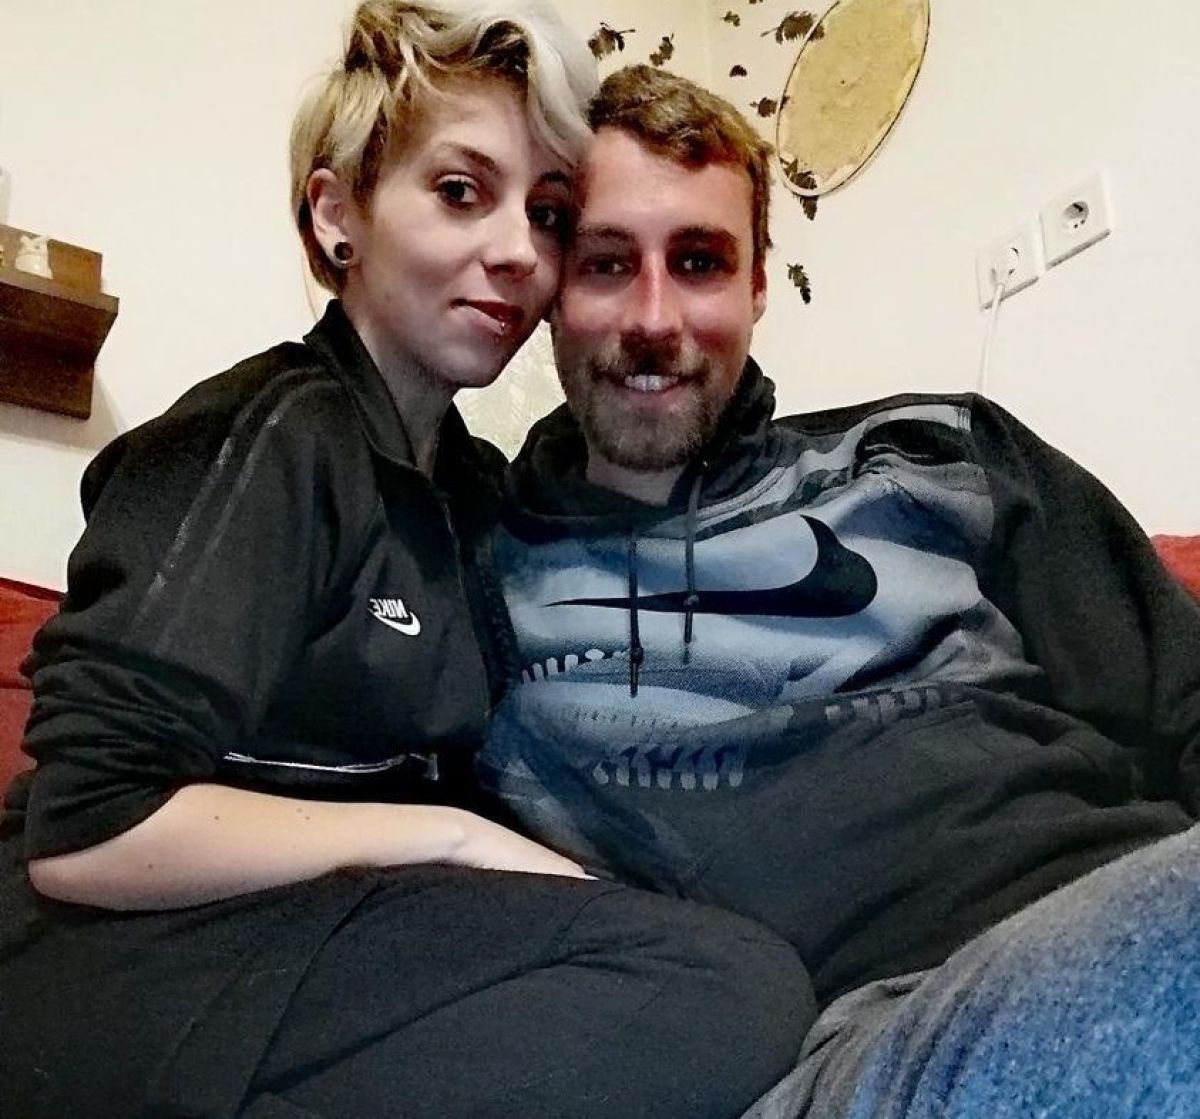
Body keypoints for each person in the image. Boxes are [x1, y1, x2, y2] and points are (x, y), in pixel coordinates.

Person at [0, 20, 815, 1119]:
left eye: (548, 214)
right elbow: (87, 829)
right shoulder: (275, 432)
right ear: (338, 215)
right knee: (722, 990)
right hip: (107, 960)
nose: (519, 252)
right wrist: (451, 837)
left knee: (723, 968)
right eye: (461, 192)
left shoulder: (468, 486)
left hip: (312, 940)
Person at [479, 64, 1200, 1117]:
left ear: (758, 287)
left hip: (1141, 902)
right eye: (606, 263)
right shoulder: (481, 586)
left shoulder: (939, 455)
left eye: (699, 261)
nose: (653, 315)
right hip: (879, 1035)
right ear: (550, 290)